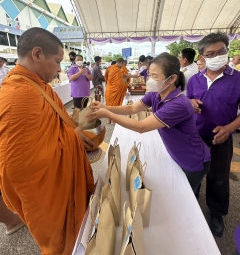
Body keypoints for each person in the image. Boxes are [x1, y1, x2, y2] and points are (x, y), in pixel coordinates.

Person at [0, 27, 94, 255]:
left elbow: (57, 125)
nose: (60, 69)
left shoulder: (37, 86)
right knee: (60, 242)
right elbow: (16, 168)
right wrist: (72, 139)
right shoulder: (17, 95)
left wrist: (73, 131)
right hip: (46, 193)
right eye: (57, 61)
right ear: (37, 54)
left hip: (58, 178)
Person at [89, 53, 211, 194]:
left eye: (155, 76)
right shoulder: (156, 94)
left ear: (171, 79)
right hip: (177, 154)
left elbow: (142, 127)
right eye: (149, 74)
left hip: (192, 159)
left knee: (187, 196)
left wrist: (107, 114)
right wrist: (105, 107)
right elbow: (132, 108)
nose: (149, 79)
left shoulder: (179, 104)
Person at [187, 32, 240, 238]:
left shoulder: (237, 79)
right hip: (196, 136)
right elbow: (187, 102)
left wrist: (229, 129)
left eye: (222, 51)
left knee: (218, 177)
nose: (217, 56)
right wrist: (190, 104)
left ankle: (216, 213)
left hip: (222, 137)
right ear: (202, 57)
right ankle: (191, 206)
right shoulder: (194, 80)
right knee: (194, 173)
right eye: (211, 53)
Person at [105, 58, 128, 124]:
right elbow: (119, 84)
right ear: (120, 63)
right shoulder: (117, 70)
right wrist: (126, 86)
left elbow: (106, 78)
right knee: (114, 107)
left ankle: (108, 120)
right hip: (115, 92)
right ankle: (113, 121)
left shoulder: (109, 68)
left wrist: (109, 85)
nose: (122, 66)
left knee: (109, 106)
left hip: (109, 90)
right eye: (122, 64)